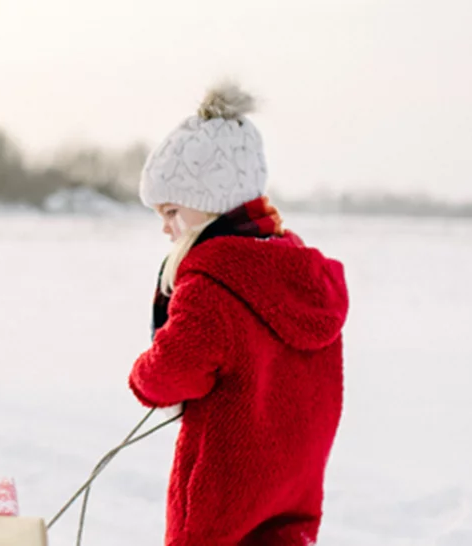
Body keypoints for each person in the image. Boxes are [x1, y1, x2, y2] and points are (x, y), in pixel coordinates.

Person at [128, 81, 349, 546]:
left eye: (172, 211)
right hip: (293, 486)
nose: (166, 228)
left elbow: (170, 375)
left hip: (224, 490)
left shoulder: (213, 284)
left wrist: (141, 375)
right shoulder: (297, 269)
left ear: (209, 203)